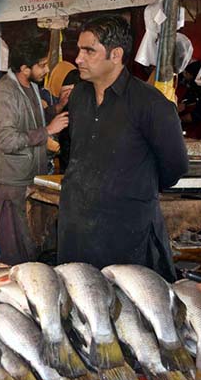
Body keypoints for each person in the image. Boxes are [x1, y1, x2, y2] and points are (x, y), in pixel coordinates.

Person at [58, 15, 189, 281]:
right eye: (79, 49)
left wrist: (130, 188)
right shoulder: (79, 97)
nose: (78, 58)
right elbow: (72, 150)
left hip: (127, 234)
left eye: (89, 51)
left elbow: (174, 168)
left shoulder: (151, 105)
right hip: (77, 229)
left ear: (115, 54)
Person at [0, 36, 69, 265]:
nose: (47, 69)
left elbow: (31, 120)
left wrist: (56, 109)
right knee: (15, 246)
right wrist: (47, 131)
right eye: (42, 65)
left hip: (31, 177)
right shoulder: (5, 92)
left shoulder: (32, 87)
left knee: (31, 240)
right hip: (12, 182)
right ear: (24, 68)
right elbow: (5, 139)